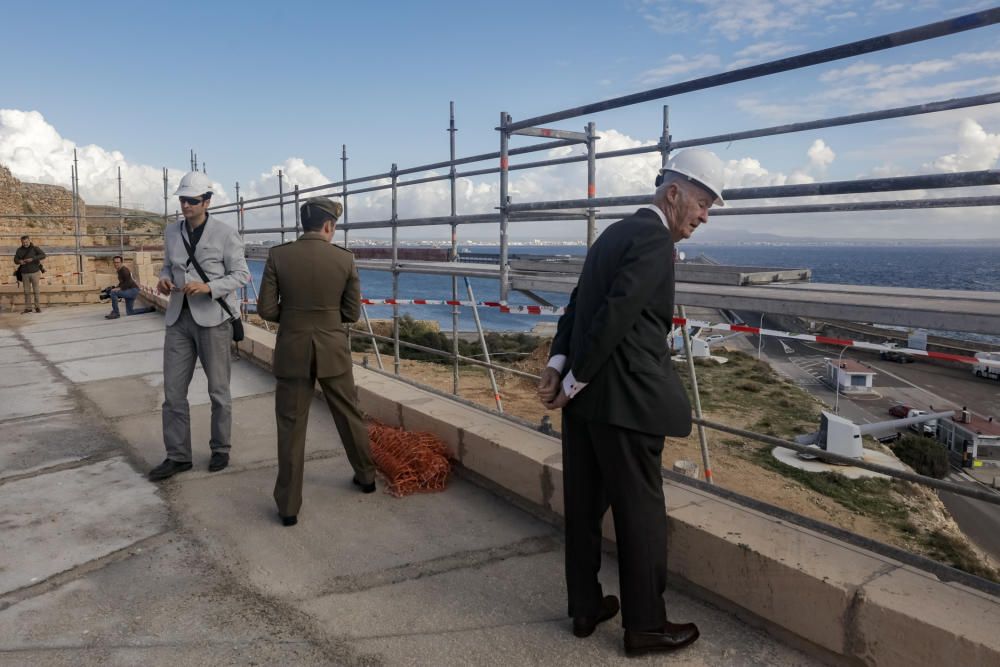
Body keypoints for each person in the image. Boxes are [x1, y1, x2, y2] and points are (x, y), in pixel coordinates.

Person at [537, 148, 725, 657]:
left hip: (587, 406)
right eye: (704, 203)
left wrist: (558, 367)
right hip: (626, 403)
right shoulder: (652, 237)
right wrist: (573, 378)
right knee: (640, 514)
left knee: (583, 507)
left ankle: (585, 607)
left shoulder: (613, 233)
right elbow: (615, 316)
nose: (705, 217)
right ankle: (645, 625)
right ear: (674, 193)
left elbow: (578, 305)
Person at [257, 196, 377, 527]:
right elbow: (351, 313)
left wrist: (295, 319)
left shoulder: (278, 255)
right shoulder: (344, 259)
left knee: (291, 427)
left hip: (293, 350)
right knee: (348, 415)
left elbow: (266, 309)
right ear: (328, 226)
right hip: (333, 349)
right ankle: (366, 477)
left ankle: (288, 506)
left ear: (304, 224)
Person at [149, 171, 250, 481]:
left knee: (218, 390)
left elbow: (242, 275)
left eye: (192, 200)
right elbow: (169, 264)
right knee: (173, 392)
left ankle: (221, 447)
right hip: (178, 318)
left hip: (213, 321)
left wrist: (210, 288)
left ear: (207, 201)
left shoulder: (225, 233)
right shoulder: (171, 232)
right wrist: (164, 279)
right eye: (182, 199)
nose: (186, 205)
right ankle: (178, 456)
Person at [13, 235, 45, 313]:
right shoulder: (19, 250)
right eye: (23, 242)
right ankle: (28, 308)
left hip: (35, 272)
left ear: (29, 241)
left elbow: (43, 255)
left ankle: (37, 307)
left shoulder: (35, 248)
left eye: (26, 242)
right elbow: (15, 259)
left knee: (36, 291)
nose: (25, 244)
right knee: (26, 291)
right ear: (21, 242)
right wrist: (19, 261)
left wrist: (33, 259)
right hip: (24, 273)